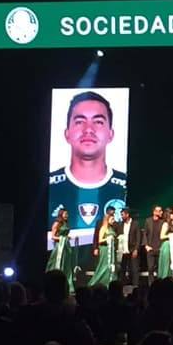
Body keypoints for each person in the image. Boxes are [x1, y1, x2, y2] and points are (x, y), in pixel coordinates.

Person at [48, 91, 127, 239]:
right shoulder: (50, 186)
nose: (88, 129)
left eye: (98, 122)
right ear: (67, 133)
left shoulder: (123, 186)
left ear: (111, 134)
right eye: (79, 121)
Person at [45, 208, 75, 293]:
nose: (67, 215)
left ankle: (67, 284)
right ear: (61, 214)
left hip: (66, 247)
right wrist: (62, 238)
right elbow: (53, 237)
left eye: (67, 214)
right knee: (57, 263)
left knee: (66, 265)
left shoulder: (66, 223)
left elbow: (65, 235)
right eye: (65, 214)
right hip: (59, 248)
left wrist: (67, 238)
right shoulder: (57, 223)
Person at [88, 209, 117, 286]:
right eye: (112, 219)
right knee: (104, 265)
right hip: (105, 250)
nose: (113, 220)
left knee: (110, 265)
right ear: (107, 219)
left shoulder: (111, 228)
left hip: (110, 250)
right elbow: (100, 240)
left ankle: (109, 281)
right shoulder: (103, 228)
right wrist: (108, 239)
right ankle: (97, 282)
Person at [117, 207, 141, 286]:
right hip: (123, 251)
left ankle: (135, 287)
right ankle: (121, 286)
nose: (121, 216)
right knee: (122, 269)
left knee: (134, 269)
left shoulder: (135, 224)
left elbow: (138, 237)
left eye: (123, 214)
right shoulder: (120, 224)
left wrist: (136, 249)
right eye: (121, 215)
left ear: (127, 215)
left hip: (132, 249)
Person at [143, 205, 164, 285]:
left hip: (159, 248)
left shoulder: (163, 222)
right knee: (150, 268)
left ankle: (159, 284)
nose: (161, 212)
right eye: (159, 210)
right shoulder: (148, 221)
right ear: (154, 212)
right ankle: (151, 284)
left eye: (161, 210)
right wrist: (146, 245)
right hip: (150, 248)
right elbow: (145, 233)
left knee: (160, 268)